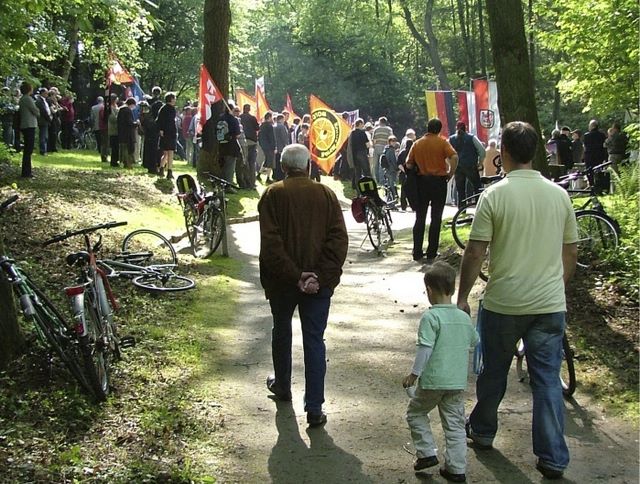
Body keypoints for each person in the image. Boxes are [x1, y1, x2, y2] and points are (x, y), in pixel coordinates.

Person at [457, 121, 578, 480]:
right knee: (546, 380)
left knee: (493, 371)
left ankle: (482, 430)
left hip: (505, 303)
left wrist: (461, 297)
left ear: (504, 154)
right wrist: (558, 285)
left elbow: (476, 250)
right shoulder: (559, 195)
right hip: (549, 304)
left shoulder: (494, 196)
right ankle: (553, 456)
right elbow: (569, 250)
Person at [258, 143, 348, 428]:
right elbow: (338, 241)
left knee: (282, 330)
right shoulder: (326, 194)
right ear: (308, 166)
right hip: (317, 286)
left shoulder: (273, 195)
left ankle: (283, 385)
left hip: (282, 282)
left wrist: (296, 275)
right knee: (314, 340)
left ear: (283, 167)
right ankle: (314, 407)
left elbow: (271, 245)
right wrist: (318, 276)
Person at [403, 261, 479, 483]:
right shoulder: (463, 318)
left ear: (429, 291)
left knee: (416, 413)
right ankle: (456, 468)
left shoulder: (431, 317)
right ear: (453, 289)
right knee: (455, 425)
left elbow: (425, 349)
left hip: (433, 381)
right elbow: (475, 341)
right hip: (456, 383)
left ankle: (426, 453)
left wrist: (414, 375)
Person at [406, 118, 458, 262]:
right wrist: (450, 173)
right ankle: (431, 252)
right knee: (436, 218)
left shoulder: (417, 144)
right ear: (439, 129)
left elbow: (408, 164)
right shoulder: (442, 142)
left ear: (427, 128)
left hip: (422, 182)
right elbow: (454, 157)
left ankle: (417, 252)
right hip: (439, 182)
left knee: (420, 217)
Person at [449, 122, 485, 207]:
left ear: (456, 128)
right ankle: (478, 208)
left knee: (460, 191)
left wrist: (451, 165)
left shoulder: (451, 139)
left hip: (458, 167)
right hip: (471, 166)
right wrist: (480, 163)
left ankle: (462, 211)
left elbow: (446, 155)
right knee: (477, 187)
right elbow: (482, 151)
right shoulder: (472, 138)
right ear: (466, 128)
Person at [216, 103, 241, 187]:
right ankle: (228, 185)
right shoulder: (233, 119)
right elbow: (237, 134)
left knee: (222, 165)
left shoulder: (220, 118)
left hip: (221, 145)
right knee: (230, 167)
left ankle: (221, 183)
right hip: (231, 145)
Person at [18, 82, 39, 178]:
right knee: (28, 149)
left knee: (28, 149)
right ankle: (26, 172)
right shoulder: (28, 99)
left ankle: (27, 171)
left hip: (26, 125)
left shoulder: (23, 99)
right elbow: (36, 111)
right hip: (29, 125)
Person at [156, 92, 178, 179]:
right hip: (170, 133)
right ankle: (169, 171)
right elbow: (171, 122)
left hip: (164, 133)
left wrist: (161, 130)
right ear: (171, 99)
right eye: (174, 98)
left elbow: (159, 121)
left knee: (165, 153)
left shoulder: (162, 109)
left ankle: (161, 168)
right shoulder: (172, 109)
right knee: (170, 152)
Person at [240, 103, 260, 188]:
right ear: (249, 109)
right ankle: (252, 182)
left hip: (243, 141)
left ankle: (245, 181)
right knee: (252, 163)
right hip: (252, 141)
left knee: (244, 162)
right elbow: (257, 128)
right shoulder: (252, 118)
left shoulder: (240, 118)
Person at [582, 120, 607, 186]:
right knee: (599, 171)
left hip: (589, 156)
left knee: (589, 171)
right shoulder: (602, 135)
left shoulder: (586, 135)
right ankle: (599, 185)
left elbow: (585, 146)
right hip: (599, 156)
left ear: (592, 126)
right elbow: (604, 146)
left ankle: (591, 185)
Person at [349, 118, 372, 188]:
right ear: (360, 124)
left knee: (357, 173)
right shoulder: (362, 133)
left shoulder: (352, 133)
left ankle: (358, 188)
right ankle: (369, 187)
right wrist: (371, 144)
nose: (363, 125)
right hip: (362, 153)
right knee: (366, 171)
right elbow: (368, 145)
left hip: (354, 154)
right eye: (363, 124)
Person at [117, 97, 138, 169]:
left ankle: (123, 162)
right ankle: (128, 163)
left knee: (123, 148)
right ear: (131, 104)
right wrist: (136, 124)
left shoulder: (121, 109)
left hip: (122, 132)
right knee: (128, 149)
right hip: (128, 133)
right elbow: (129, 122)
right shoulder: (127, 110)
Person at [372, 117, 393, 183]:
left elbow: (373, 140)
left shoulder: (376, 129)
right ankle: (382, 180)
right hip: (384, 147)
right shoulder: (389, 129)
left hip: (376, 147)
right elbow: (391, 139)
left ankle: (376, 179)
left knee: (375, 164)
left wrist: (374, 146)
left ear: (380, 122)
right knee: (382, 164)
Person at [258, 112, 276, 183]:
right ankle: (268, 178)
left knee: (266, 161)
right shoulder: (269, 126)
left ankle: (259, 174)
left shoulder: (261, 125)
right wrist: (274, 147)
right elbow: (272, 137)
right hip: (269, 146)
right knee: (270, 162)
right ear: (269, 117)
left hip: (263, 145)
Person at [35, 88, 52, 155]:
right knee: (43, 136)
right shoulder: (39, 101)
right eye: (46, 93)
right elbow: (43, 111)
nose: (47, 94)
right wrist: (49, 118)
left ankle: (44, 149)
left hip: (46, 120)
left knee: (45, 136)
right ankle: (43, 150)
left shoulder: (45, 100)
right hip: (43, 120)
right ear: (42, 93)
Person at [382, 135, 400, 200]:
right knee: (392, 185)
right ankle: (393, 199)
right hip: (391, 169)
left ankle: (389, 198)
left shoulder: (385, 149)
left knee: (388, 184)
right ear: (389, 142)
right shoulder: (391, 150)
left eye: (395, 141)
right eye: (392, 141)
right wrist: (397, 168)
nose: (394, 142)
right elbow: (393, 160)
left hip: (386, 169)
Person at [274, 113, 290, 181]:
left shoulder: (273, 126)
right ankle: (281, 176)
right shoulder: (282, 127)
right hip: (281, 147)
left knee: (276, 163)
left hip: (275, 147)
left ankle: (276, 176)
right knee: (281, 162)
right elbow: (284, 137)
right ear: (281, 119)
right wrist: (287, 145)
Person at [107, 94, 120, 167]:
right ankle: (113, 161)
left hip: (117, 130)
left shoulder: (116, 106)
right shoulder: (110, 107)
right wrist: (119, 116)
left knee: (117, 147)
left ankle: (116, 160)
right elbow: (112, 118)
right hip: (113, 130)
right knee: (114, 147)